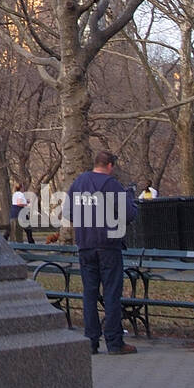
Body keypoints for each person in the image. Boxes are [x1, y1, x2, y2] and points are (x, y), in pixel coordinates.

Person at [64, 150, 139, 356]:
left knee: (89, 293)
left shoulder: (79, 182)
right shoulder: (111, 185)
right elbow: (129, 214)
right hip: (108, 246)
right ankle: (115, 342)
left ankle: (91, 341)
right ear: (110, 166)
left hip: (85, 245)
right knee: (111, 294)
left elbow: (68, 212)